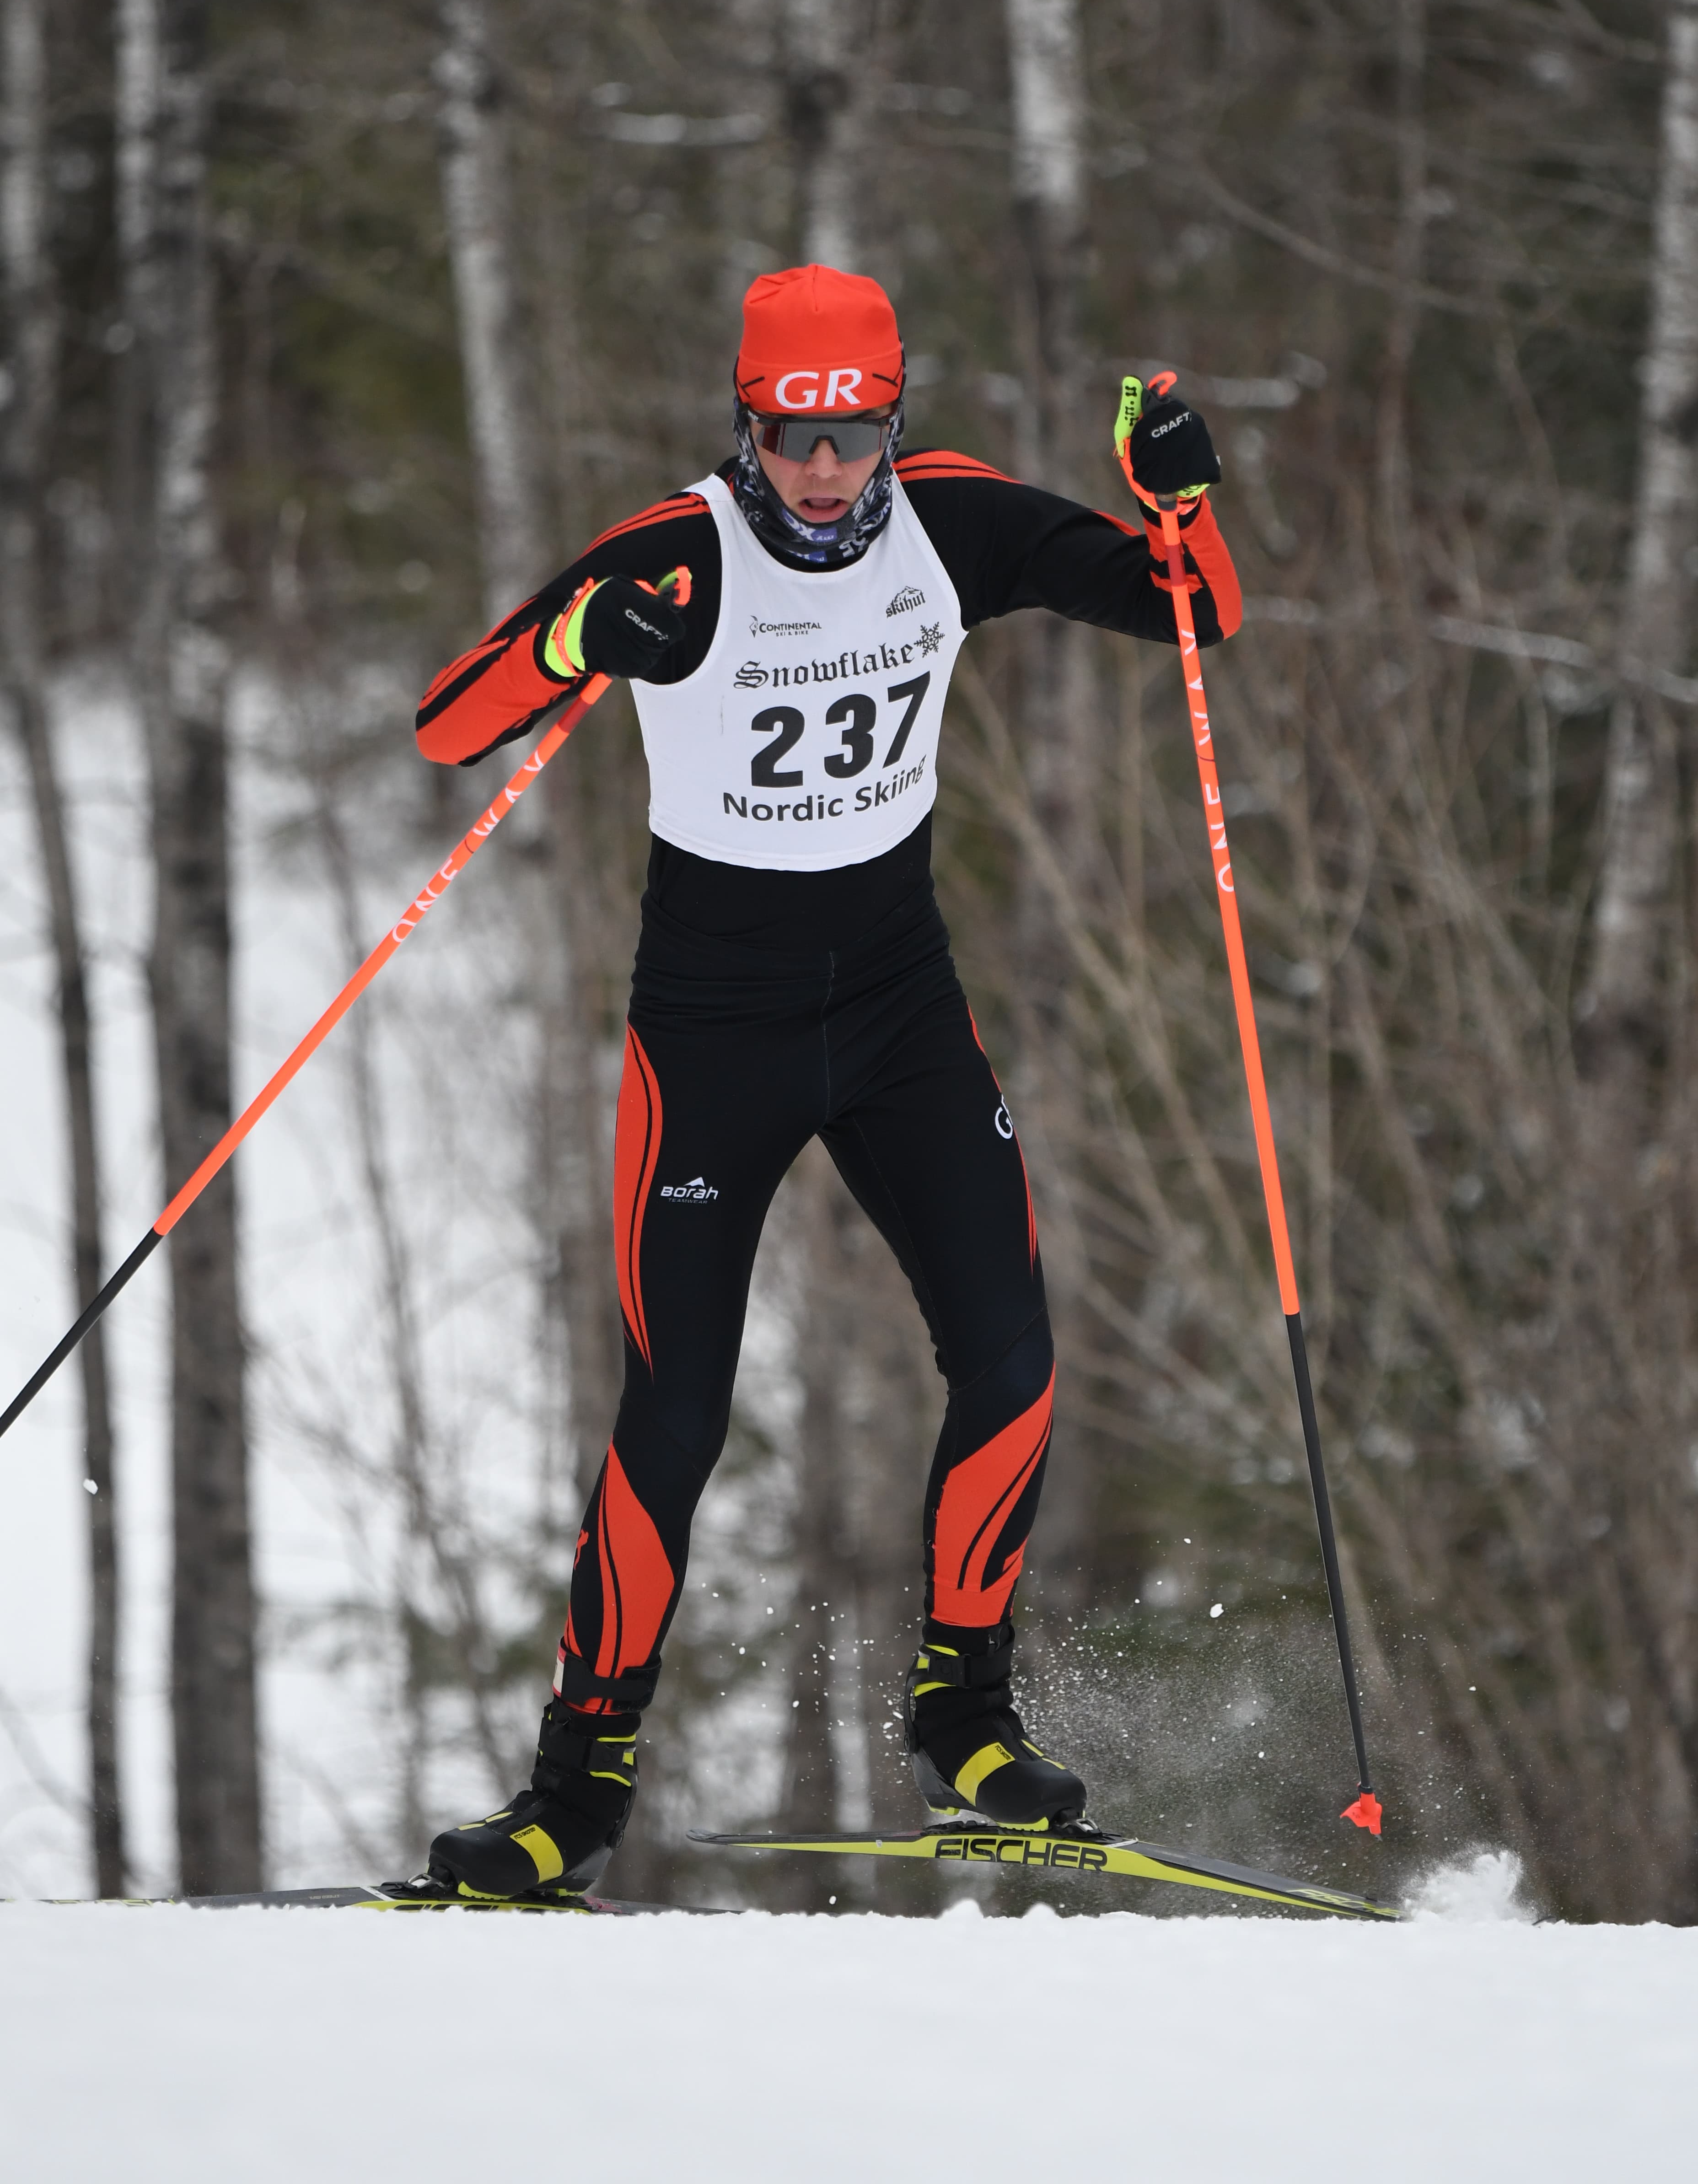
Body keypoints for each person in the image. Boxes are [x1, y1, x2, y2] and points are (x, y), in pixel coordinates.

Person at [414, 264, 1241, 1897]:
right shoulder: (680, 555)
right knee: (678, 1413)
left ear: (891, 420)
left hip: (896, 1013)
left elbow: (1190, 606)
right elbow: (454, 723)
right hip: (710, 1037)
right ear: (747, 423)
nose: (822, 472)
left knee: (1010, 1355)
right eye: (791, 438)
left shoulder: (954, 522)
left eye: (852, 434)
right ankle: (570, 1797)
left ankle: (966, 1720)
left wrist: (1185, 499)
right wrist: (582, 637)